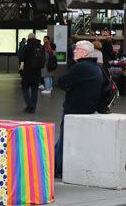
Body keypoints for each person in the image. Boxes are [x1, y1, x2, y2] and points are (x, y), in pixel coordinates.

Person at [54, 40, 103, 178]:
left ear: (86, 52)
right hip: (88, 109)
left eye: (78, 49)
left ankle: (58, 168)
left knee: (65, 140)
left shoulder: (82, 67)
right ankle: (54, 162)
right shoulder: (95, 67)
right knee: (66, 141)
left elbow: (62, 82)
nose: (74, 51)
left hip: (74, 109)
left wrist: (69, 85)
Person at [20, 33, 45, 113]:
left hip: (27, 71)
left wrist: (21, 68)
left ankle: (29, 105)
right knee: (34, 90)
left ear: (28, 38)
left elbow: (22, 58)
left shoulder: (26, 47)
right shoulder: (40, 46)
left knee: (25, 89)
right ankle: (33, 107)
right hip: (37, 71)